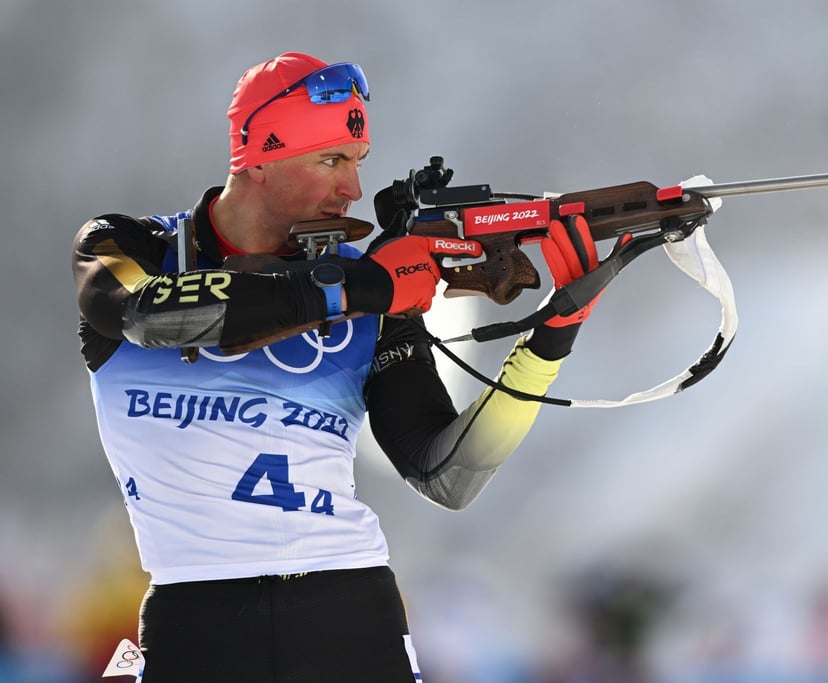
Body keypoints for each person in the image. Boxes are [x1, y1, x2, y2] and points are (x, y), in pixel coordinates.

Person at [72, 52, 605, 682]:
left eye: (356, 163)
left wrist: (549, 340)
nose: (351, 188)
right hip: (194, 613)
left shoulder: (371, 284)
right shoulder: (128, 245)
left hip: (347, 610)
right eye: (331, 160)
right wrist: (359, 288)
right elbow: (144, 315)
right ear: (260, 158)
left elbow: (447, 474)